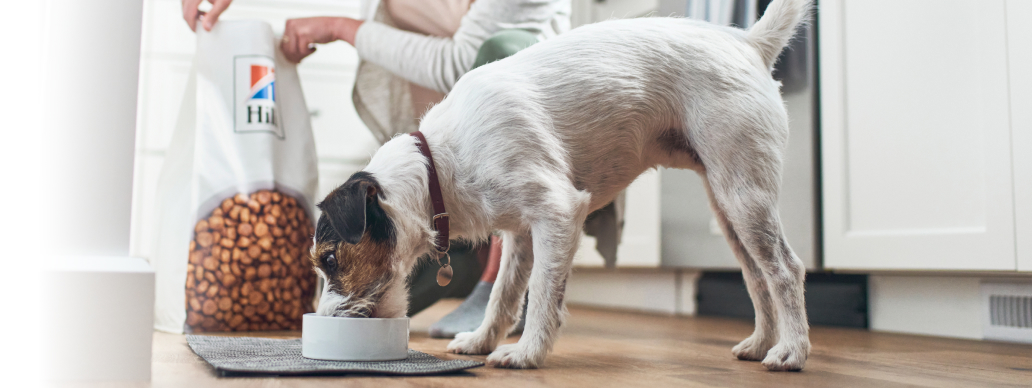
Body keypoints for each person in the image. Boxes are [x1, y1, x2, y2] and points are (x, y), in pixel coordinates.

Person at [182, 0, 578, 338]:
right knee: (372, 305)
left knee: (497, 50)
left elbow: (460, 62)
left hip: (531, 114)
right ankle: (453, 251)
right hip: (437, 163)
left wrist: (339, 28)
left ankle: (494, 275)